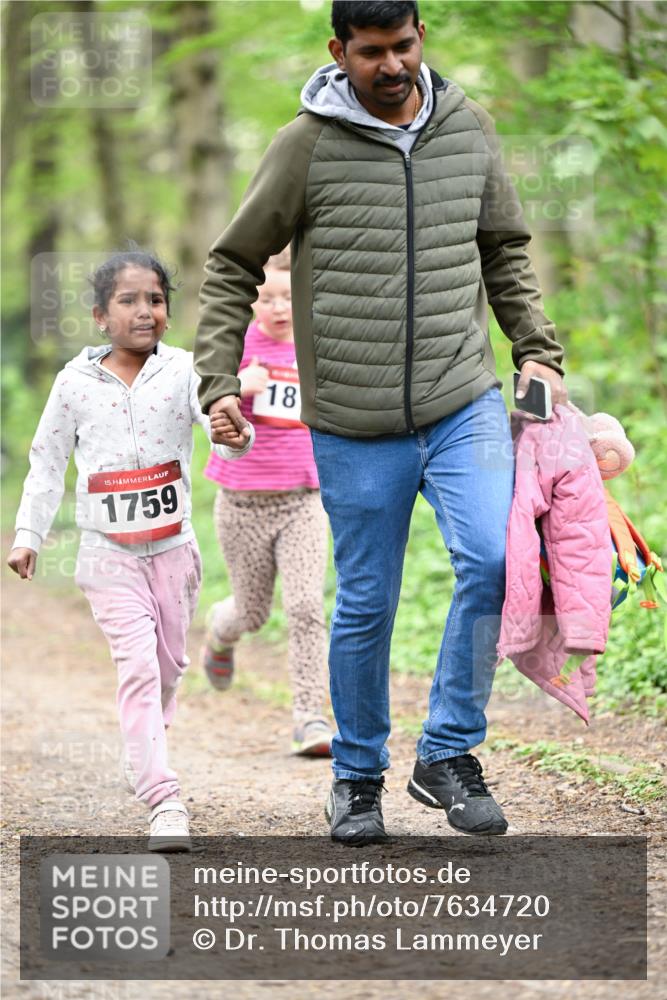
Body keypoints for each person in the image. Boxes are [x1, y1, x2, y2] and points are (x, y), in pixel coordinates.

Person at [194, 0, 567, 845]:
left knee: (493, 558)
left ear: (420, 37)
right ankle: (356, 779)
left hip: (460, 396)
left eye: (402, 46)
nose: (390, 66)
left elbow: (502, 246)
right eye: (370, 52)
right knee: (366, 599)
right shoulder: (305, 146)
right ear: (339, 50)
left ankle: (448, 754)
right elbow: (231, 261)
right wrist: (217, 378)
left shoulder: (466, 125)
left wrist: (535, 350)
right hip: (354, 419)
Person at [7, 248, 252, 851]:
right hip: (107, 553)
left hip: (174, 553)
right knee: (138, 667)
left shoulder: (186, 370)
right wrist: (28, 534)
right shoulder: (73, 385)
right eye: (129, 300)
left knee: (168, 668)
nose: (145, 311)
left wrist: (235, 434)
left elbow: (222, 436)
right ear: (99, 315)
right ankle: (163, 797)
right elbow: (47, 462)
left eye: (157, 300)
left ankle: (145, 746)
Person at [201, 250, 332, 756]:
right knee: (252, 614)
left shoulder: (315, 345)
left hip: (304, 500)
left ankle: (310, 718)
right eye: (267, 298)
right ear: (252, 301)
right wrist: (237, 388)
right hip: (242, 504)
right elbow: (205, 415)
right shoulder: (235, 348)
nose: (278, 308)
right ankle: (220, 628)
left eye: (288, 297)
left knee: (304, 606)